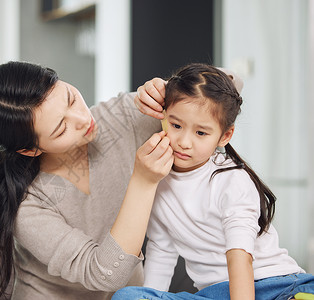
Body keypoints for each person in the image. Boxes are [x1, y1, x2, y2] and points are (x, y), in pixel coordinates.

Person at [0, 60, 175, 300]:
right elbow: (105, 274)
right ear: (31, 150)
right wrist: (143, 181)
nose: (82, 118)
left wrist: (171, 90)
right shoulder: (28, 204)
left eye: (71, 98)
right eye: (61, 128)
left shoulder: (119, 119)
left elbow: (227, 88)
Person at [112, 63, 314, 300]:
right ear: (164, 117)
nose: (184, 142)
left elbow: (240, 256)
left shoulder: (231, 180)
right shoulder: (157, 180)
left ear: (225, 136)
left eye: (200, 133)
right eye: (176, 125)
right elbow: (161, 250)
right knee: (130, 297)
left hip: (276, 285)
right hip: (215, 295)